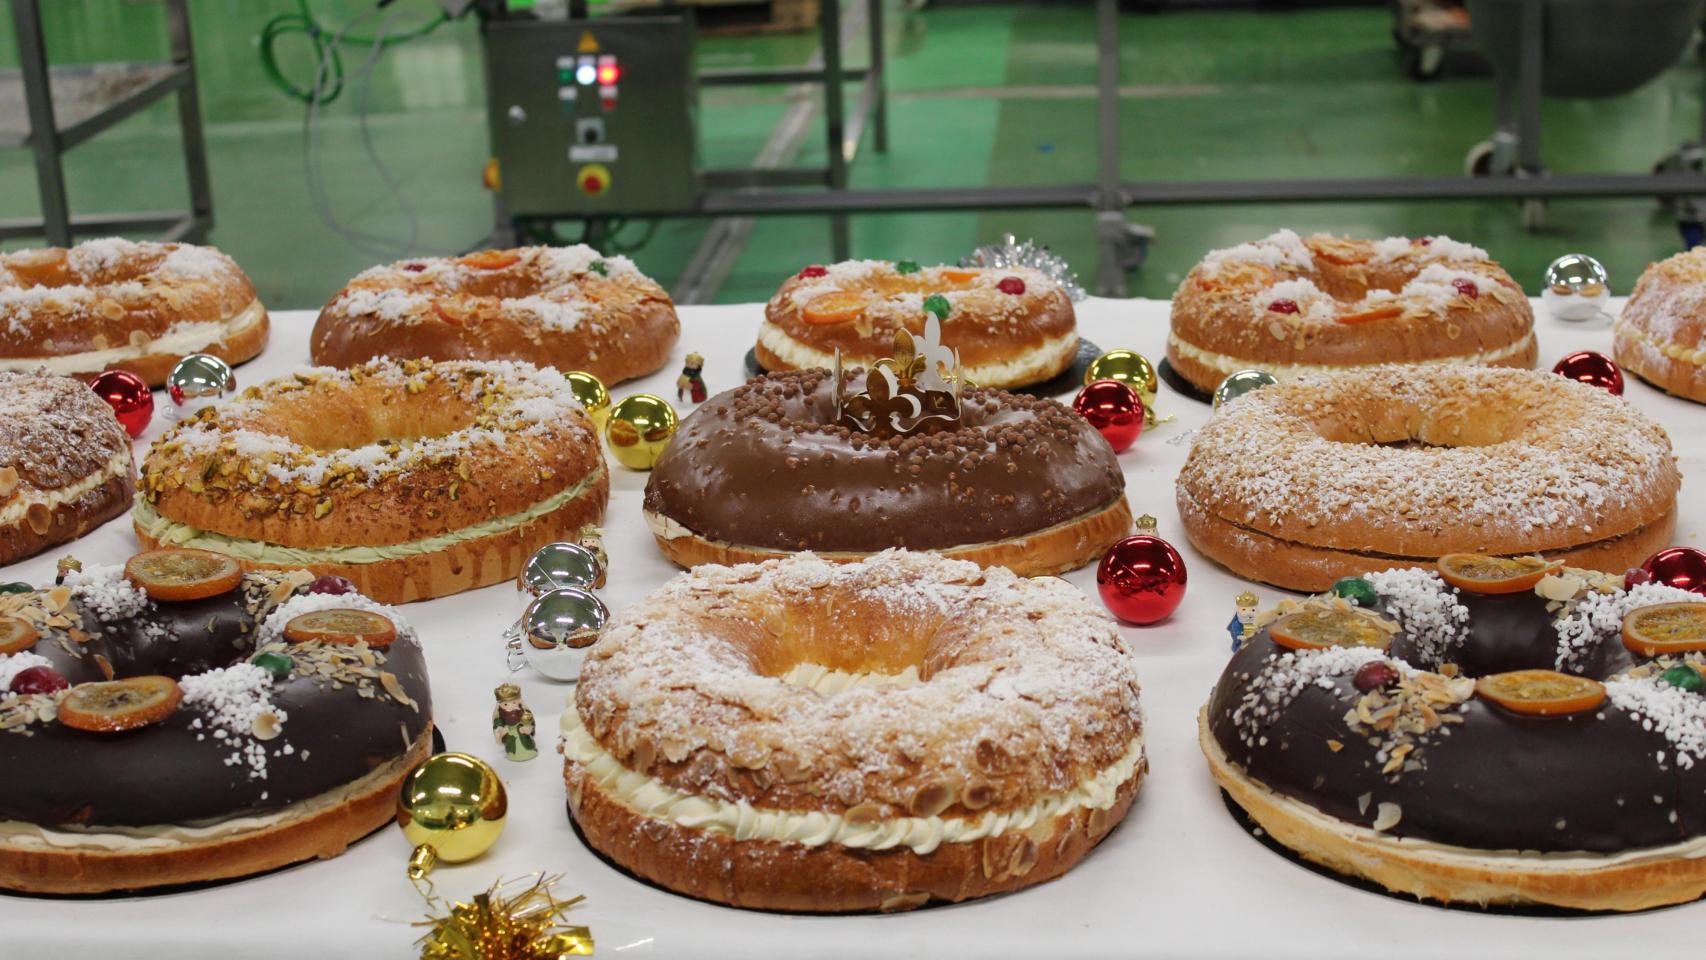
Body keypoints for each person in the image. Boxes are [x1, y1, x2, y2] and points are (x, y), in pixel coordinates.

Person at [493, 683, 538, 762]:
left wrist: (527, 727)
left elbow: (529, 721)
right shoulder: (501, 715)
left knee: (525, 740)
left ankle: (529, 750)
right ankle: (512, 753)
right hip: (509, 734)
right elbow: (498, 724)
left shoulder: (523, 712)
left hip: (522, 732)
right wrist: (500, 731)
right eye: (506, 704)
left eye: (514, 703)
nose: (510, 706)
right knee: (512, 744)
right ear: (500, 705)